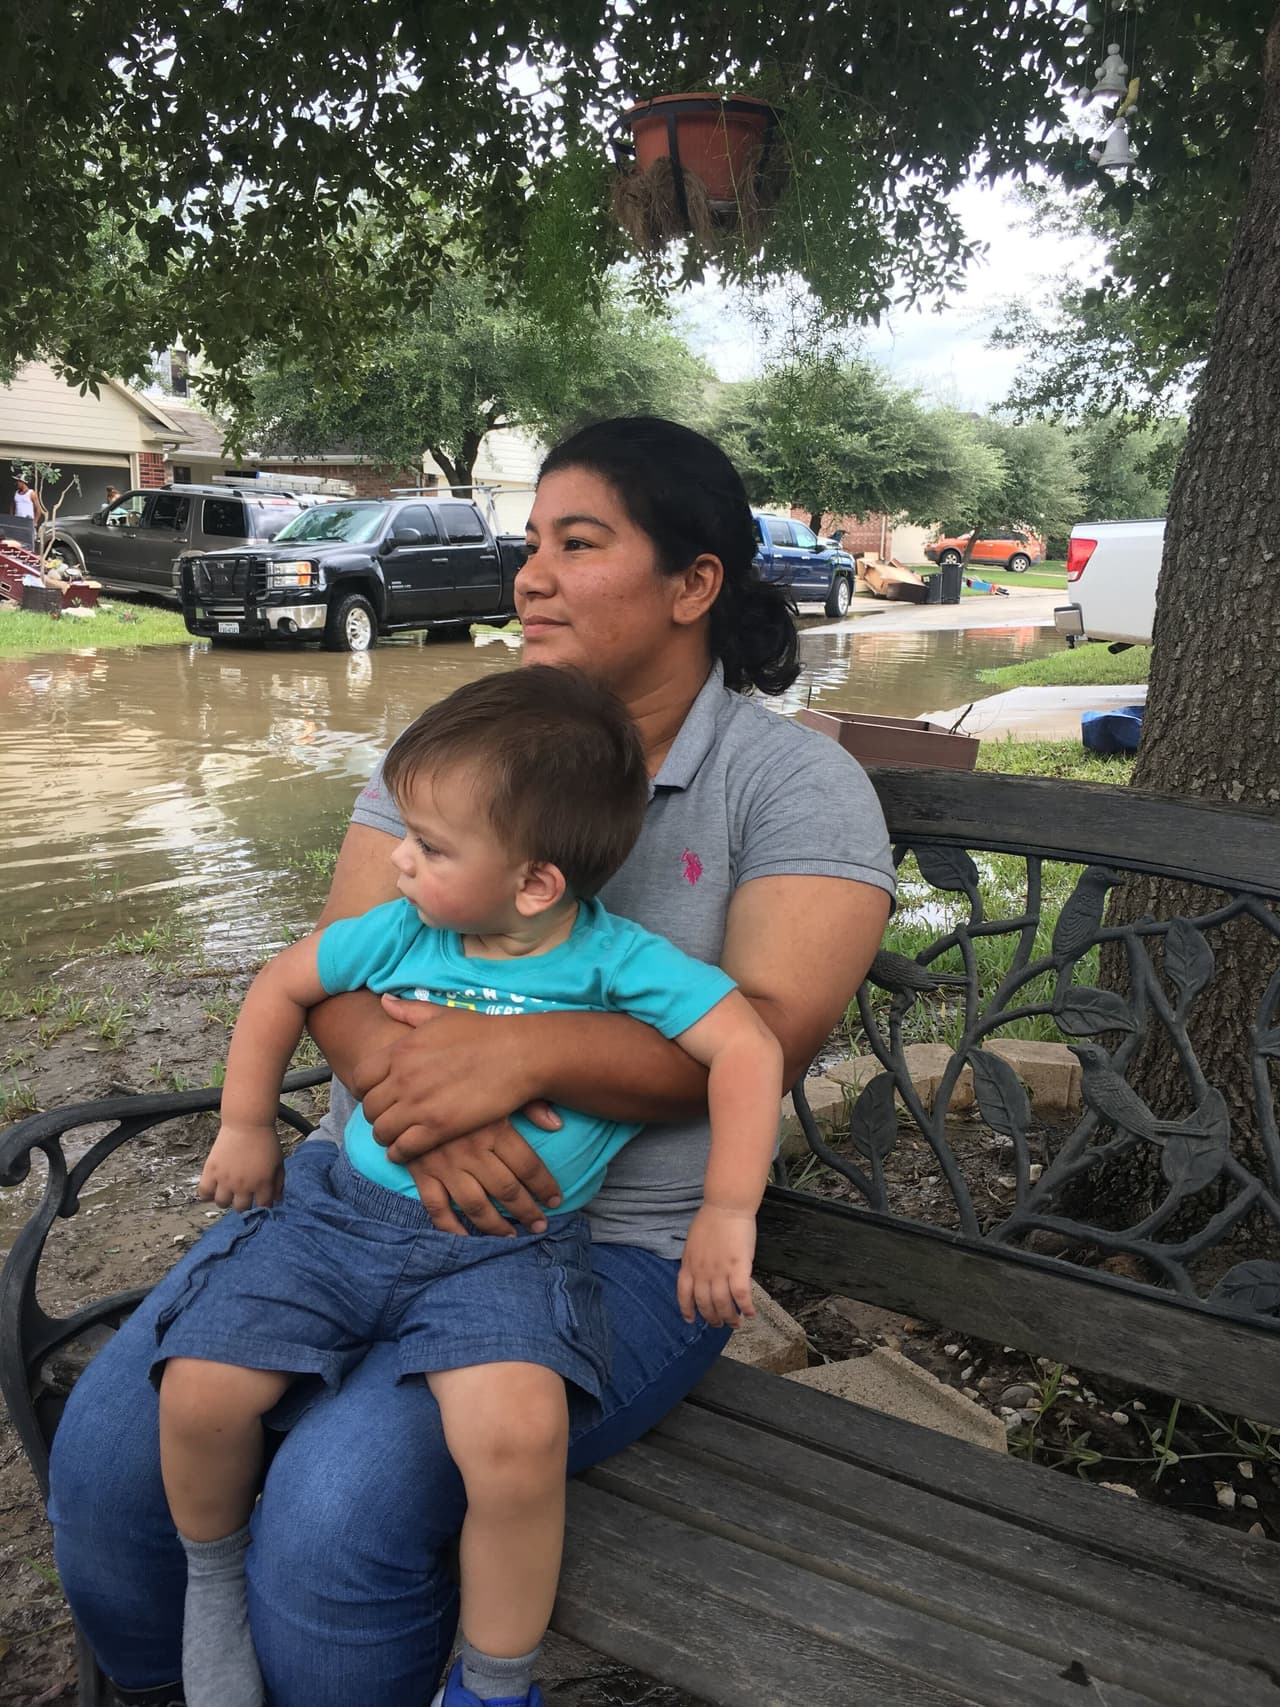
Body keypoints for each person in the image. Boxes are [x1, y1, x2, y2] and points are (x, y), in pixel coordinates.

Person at [48, 416, 897, 1707]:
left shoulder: (787, 784)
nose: (531, 574)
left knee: (334, 1510)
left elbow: (763, 1036)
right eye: (530, 541)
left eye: (578, 543)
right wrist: (427, 1117)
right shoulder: (466, 742)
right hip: (361, 1196)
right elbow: (336, 966)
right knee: (112, 1456)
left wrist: (522, 1053)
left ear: (693, 583)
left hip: (614, 1248)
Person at [156, 666, 782, 1707]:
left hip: (509, 1250)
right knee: (200, 1386)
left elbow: (747, 1049)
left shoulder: (616, 962)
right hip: (339, 1222)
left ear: (534, 884)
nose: (398, 859)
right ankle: (211, 1579)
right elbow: (284, 983)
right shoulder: (405, 929)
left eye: (430, 846)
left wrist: (727, 1209)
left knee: (516, 1440)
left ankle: (495, 1683)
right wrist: (245, 1124)